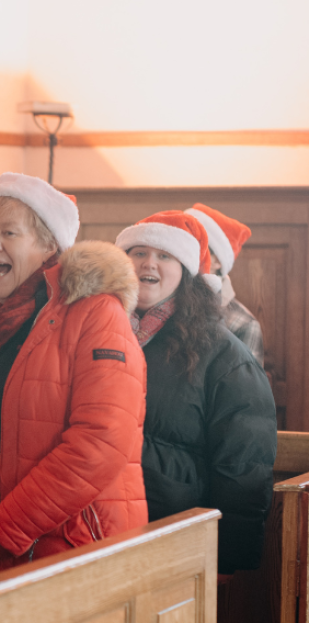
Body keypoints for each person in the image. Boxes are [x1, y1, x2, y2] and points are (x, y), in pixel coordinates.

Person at [0, 172, 148, 587]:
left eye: (9, 232)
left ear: (49, 247)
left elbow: (99, 441)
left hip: (72, 552)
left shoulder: (95, 313)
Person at [115, 211, 276, 576]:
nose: (148, 263)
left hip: (176, 540)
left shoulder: (225, 356)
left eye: (164, 255)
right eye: (138, 252)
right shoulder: (101, 335)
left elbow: (242, 468)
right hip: (105, 532)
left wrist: (228, 565)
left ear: (186, 272)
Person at [184, 203, 264, 367]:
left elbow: (247, 390)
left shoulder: (243, 324)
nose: (182, 252)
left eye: (195, 245)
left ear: (218, 260)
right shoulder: (155, 302)